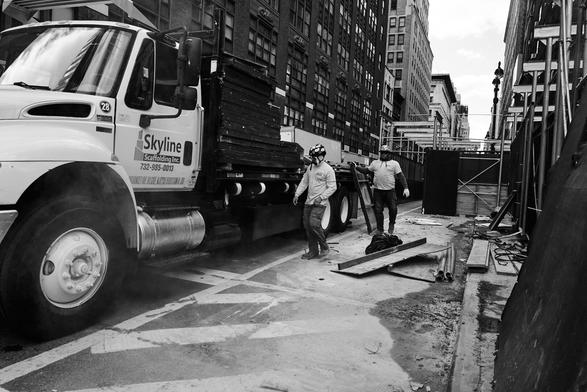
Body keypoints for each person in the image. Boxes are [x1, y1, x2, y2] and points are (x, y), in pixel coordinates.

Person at [293, 144, 337, 259]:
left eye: (314, 157)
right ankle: (313, 251)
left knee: (314, 224)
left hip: (319, 203)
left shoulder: (328, 169)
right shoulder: (311, 168)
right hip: (309, 202)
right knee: (308, 226)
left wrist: (321, 197)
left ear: (321, 156)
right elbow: (304, 182)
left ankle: (324, 247)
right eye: (312, 157)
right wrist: (297, 194)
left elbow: (333, 187)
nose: (312, 159)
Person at [354, 145, 409, 235]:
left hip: (390, 191)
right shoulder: (375, 163)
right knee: (378, 210)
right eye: (382, 153)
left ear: (389, 154)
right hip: (378, 191)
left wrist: (406, 188)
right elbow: (366, 170)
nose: (383, 155)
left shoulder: (394, 164)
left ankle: (391, 226)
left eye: (385, 153)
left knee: (393, 209)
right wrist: (356, 167)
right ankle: (380, 229)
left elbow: (401, 176)